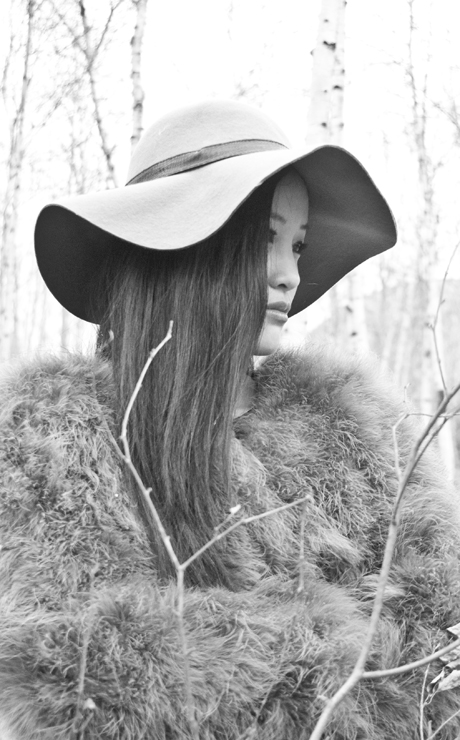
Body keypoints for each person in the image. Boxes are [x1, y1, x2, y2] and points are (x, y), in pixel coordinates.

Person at [0, 99, 459, 740]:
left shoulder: (358, 425)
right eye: (266, 238)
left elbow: (442, 641)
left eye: (298, 245)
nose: (291, 274)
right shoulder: (54, 438)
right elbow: (73, 679)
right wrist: (334, 657)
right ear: (184, 245)